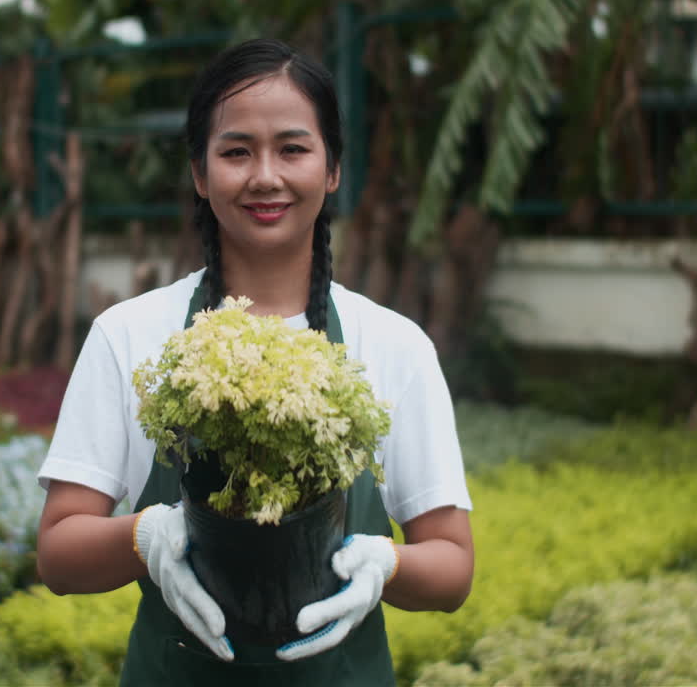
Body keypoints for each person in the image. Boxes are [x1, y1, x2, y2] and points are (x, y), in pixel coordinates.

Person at [35, 37, 473, 686]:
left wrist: (386, 565)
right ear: (199, 172)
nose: (265, 176)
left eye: (292, 149)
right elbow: (59, 554)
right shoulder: (129, 336)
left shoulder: (395, 346)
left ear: (332, 170)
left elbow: (453, 566)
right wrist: (144, 538)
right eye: (236, 151)